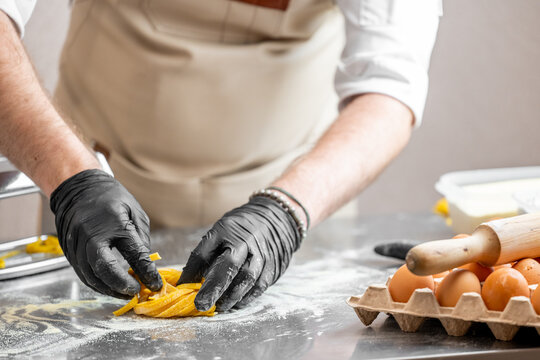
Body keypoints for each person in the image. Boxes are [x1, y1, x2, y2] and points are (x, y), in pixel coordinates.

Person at [0, 0, 441, 311]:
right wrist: (74, 180)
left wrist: (285, 212)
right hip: (88, 176)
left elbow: (388, 85)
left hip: (297, 191)